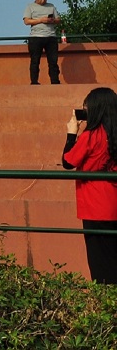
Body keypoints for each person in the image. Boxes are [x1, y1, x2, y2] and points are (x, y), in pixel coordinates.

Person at [62, 87, 117, 283]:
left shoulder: (91, 135)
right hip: (113, 203)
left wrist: (71, 134)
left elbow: (68, 161)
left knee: (100, 263)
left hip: (95, 206)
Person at [24, 0, 61, 85]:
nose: (43, 1)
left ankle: (55, 81)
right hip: (36, 37)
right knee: (35, 61)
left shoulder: (51, 6)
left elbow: (58, 20)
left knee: (53, 61)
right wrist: (41, 20)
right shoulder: (30, 6)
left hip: (51, 36)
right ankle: (34, 81)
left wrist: (52, 20)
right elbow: (26, 21)